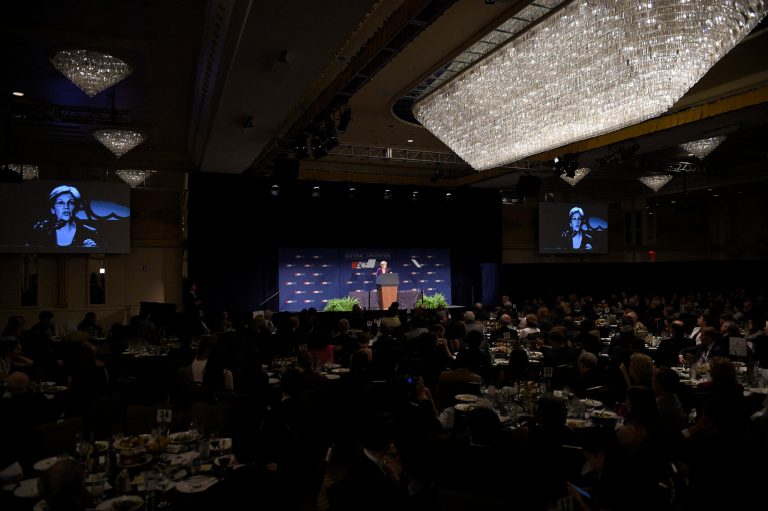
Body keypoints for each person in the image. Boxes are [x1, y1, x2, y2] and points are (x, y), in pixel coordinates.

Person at [32, 185, 99, 247]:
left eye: (71, 203)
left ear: (76, 208)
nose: (66, 207)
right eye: (60, 203)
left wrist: (89, 250)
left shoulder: (89, 232)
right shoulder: (42, 230)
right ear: (52, 209)